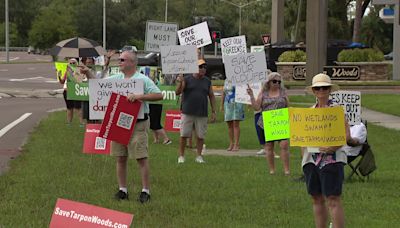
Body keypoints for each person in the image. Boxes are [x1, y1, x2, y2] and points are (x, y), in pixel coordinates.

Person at [84, 50, 162, 203]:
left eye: (123, 60)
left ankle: (145, 191)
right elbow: (98, 85)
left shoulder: (143, 80)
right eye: (119, 59)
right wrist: (87, 72)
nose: (119, 61)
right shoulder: (117, 79)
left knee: (141, 157)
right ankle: (122, 190)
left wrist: (140, 96)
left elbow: (159, 95)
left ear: (133, 63)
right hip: (118, 123)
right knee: (120, 157)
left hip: (138, 124)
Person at [301, 73, 352, 228]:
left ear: (330, 90)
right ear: (314, 91)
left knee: (333, 198)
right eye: (318, 88)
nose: (321, 91)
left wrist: (332, 147)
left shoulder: (337, 112)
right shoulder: (308, 113)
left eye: (325, 88)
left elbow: (346, 136)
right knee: (316, 198)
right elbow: (303, 138)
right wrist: (304, 159)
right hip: (311, 160)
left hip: (332, 159)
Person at [247, 72, 290, 175]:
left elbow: (288, 106)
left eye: (279, 82)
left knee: (284, 145)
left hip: (280, 121)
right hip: (267, 122)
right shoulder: (264, 93)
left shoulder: (283, 92)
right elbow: (257, 107)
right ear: (269, 82)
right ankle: (272, 170)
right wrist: (251, 96)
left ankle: (287, 170)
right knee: (269, 146)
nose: (277, 84)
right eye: (274, 81)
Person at [175, 59, 217, 163]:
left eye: (204, 67)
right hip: (187, 111)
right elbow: (178, 92)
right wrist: (180, 83)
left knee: (200, 135)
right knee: (184, 134)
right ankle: (181, 156)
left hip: (202, 112)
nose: (203, 69)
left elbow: (211, 95)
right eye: (200, 67)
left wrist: (213, 111)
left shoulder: (207, 81)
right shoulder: (187, 79)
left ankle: (199, 156)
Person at [59, 58, 85, 126]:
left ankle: (81, 122)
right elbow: (62, 82)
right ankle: (69, 122)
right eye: (71, 63)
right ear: (68, 64)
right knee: (69, 108)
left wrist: (74, 73)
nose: (72, 64)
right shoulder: (67, 72)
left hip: (76, 91)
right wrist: (59, 76)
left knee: (78, 108)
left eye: (74, 63)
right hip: (67, 91)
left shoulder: (79, 71)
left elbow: (79, 81)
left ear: (77, 64)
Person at [221, 80, 244, 151]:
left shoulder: (239, 79)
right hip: (227, 104)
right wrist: (221, 105)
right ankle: (231, 143)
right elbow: (223, 93)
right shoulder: (226, 81)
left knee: (235, 124)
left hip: (237, 104)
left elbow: (244, 92)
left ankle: (236, 144)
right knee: (229, 124)